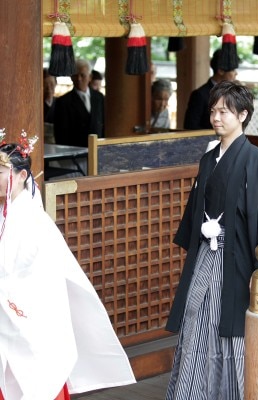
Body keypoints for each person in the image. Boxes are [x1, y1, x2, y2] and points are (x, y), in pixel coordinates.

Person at [165, 81, 258, 399]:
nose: (216, 117)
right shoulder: (209, 160)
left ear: (243, 115)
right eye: (213, 110)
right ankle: (191, 392)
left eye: (224, 111)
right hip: (207, 255)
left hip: (238, 261)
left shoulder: (257, 161)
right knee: (195, 319)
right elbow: (197, 212)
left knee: (230, 327)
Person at [0, 129, 136, 399]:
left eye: (1, 170)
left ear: (21, 176)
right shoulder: (6, 212)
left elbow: (37, 278)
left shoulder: (35, 222)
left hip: (25, 317)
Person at [54, 59, 105, 147]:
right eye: (75, 75)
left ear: (90, 77)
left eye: (82, 75)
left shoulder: (99, 97)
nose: (79, 79)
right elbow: (60, 134)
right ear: (71, 77)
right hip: (75, 151)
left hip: (98, 149)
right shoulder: (63, 102)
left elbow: (104, 123)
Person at [183, 49, 238, 130]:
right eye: (233, 70)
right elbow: (190, 126)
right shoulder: (200, 95)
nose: (236, 73)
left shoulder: (233, 93)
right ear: (221, 70)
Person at [43, 68, 57, 144]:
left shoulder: (60, 103)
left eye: (51, 84)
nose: (49, 89)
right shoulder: (38, 104)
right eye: (45, 85)